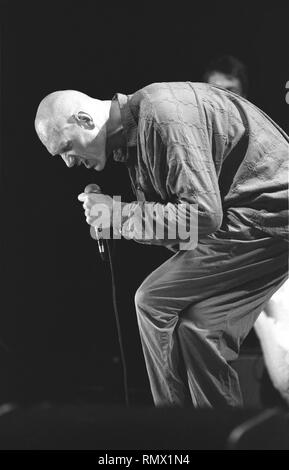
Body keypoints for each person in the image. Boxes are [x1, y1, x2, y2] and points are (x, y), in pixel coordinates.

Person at [34, 82, 289, 408]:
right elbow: (177, 224)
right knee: (198, 329)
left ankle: (170, 429)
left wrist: (118, 215)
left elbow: (201, 217)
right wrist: (111, 218)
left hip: (265, 215)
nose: (68, 163)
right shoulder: (134, 136)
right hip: (256, 220)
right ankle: (217, 434)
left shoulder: (161, 114)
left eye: (66, 147)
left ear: (85, 120)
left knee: (151, 299)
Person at [203, 55, 289, 406]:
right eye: (214, 91)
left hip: (272, 261)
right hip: (222, 267)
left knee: (284, 373)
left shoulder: (266, 139)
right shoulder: (188, 145)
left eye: (230, 92)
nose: (221, 100)